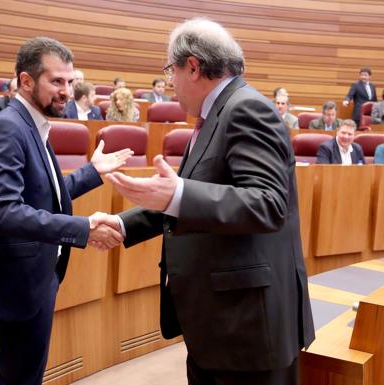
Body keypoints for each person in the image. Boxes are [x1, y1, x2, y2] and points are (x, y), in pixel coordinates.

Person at [101, 17, 315, 385]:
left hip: (248, 330)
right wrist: (123, 224)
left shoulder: (247, 108)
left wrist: (179, 194)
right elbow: (190, 196)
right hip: (219, 324)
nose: (170, 83)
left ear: (194, 67)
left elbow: (267, 203)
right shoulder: (215, 114)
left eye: (171, 70)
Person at [0, 37, 132, 385]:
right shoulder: (5, 129)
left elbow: (46, 196)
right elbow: (4, 213)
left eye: (70, 82)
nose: (67, 92)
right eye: (57, 81)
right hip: (16, 285)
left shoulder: (35, 127)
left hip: (38, 277)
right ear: (26, 81)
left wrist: (92, 171)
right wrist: (83, 229)